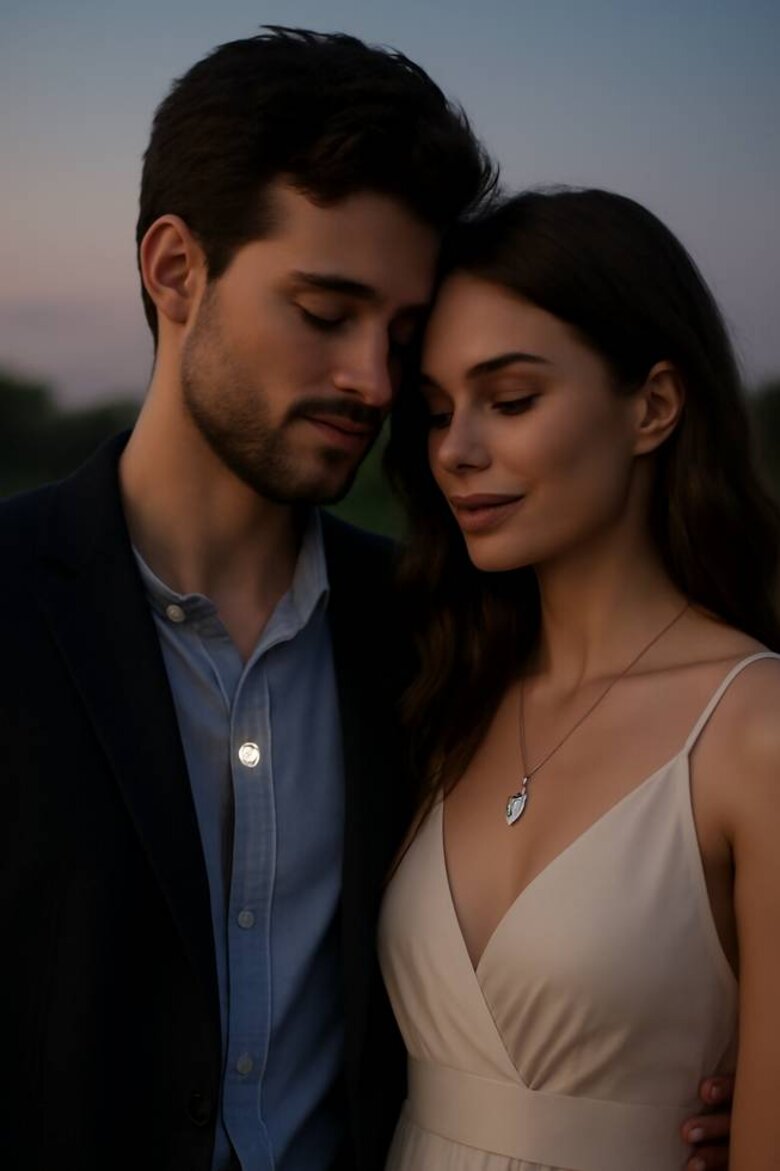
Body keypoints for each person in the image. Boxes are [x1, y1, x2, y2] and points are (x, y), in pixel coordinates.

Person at [0, 27, 732, 1171]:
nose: (376, 385)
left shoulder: (439, 636)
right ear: (175, 269)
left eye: (400, 336)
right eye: (326, 312)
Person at [380, 187, 780, 1170]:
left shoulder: (756, 732)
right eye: (436, 413)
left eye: (510, 400)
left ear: (652, 406)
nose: (456, 452)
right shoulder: (447, 692)